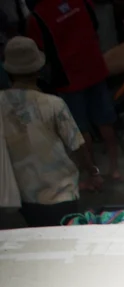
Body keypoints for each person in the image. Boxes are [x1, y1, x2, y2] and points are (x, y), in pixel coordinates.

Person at [0, 36, 102, 226]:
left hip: (23, 197)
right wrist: (92, 172)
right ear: (38, 70)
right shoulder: (53, 104)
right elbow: (77, 144)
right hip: (59, 194)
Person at [26, 0, 119, 181]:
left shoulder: (37, 16)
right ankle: (115, 169)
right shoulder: (80, 1)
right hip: (94, 69)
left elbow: (39, 50)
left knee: (79, 130)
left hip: (69, 79)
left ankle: (93, 176)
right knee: (105, 122)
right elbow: (94, 23)